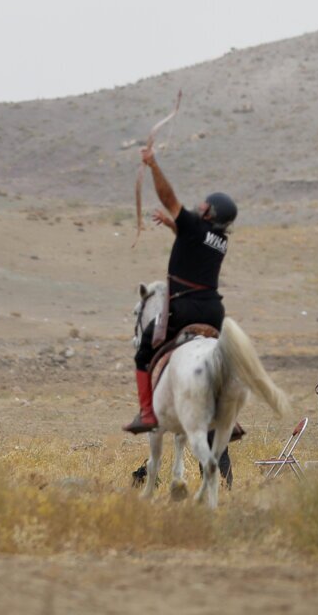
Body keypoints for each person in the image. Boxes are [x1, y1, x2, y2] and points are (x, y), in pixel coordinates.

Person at [123, 147, 237, 434]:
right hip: (213, 312)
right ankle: (229, 417)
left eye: (204, 204)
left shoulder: (195, 226)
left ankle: (147, 414)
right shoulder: (220, 240)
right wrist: (174, 226)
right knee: (219, 357)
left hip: (184, 308)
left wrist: (153, 164)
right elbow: (193, 241)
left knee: (143, 352)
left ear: (209, 212)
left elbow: (168, 197)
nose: (199, 205)